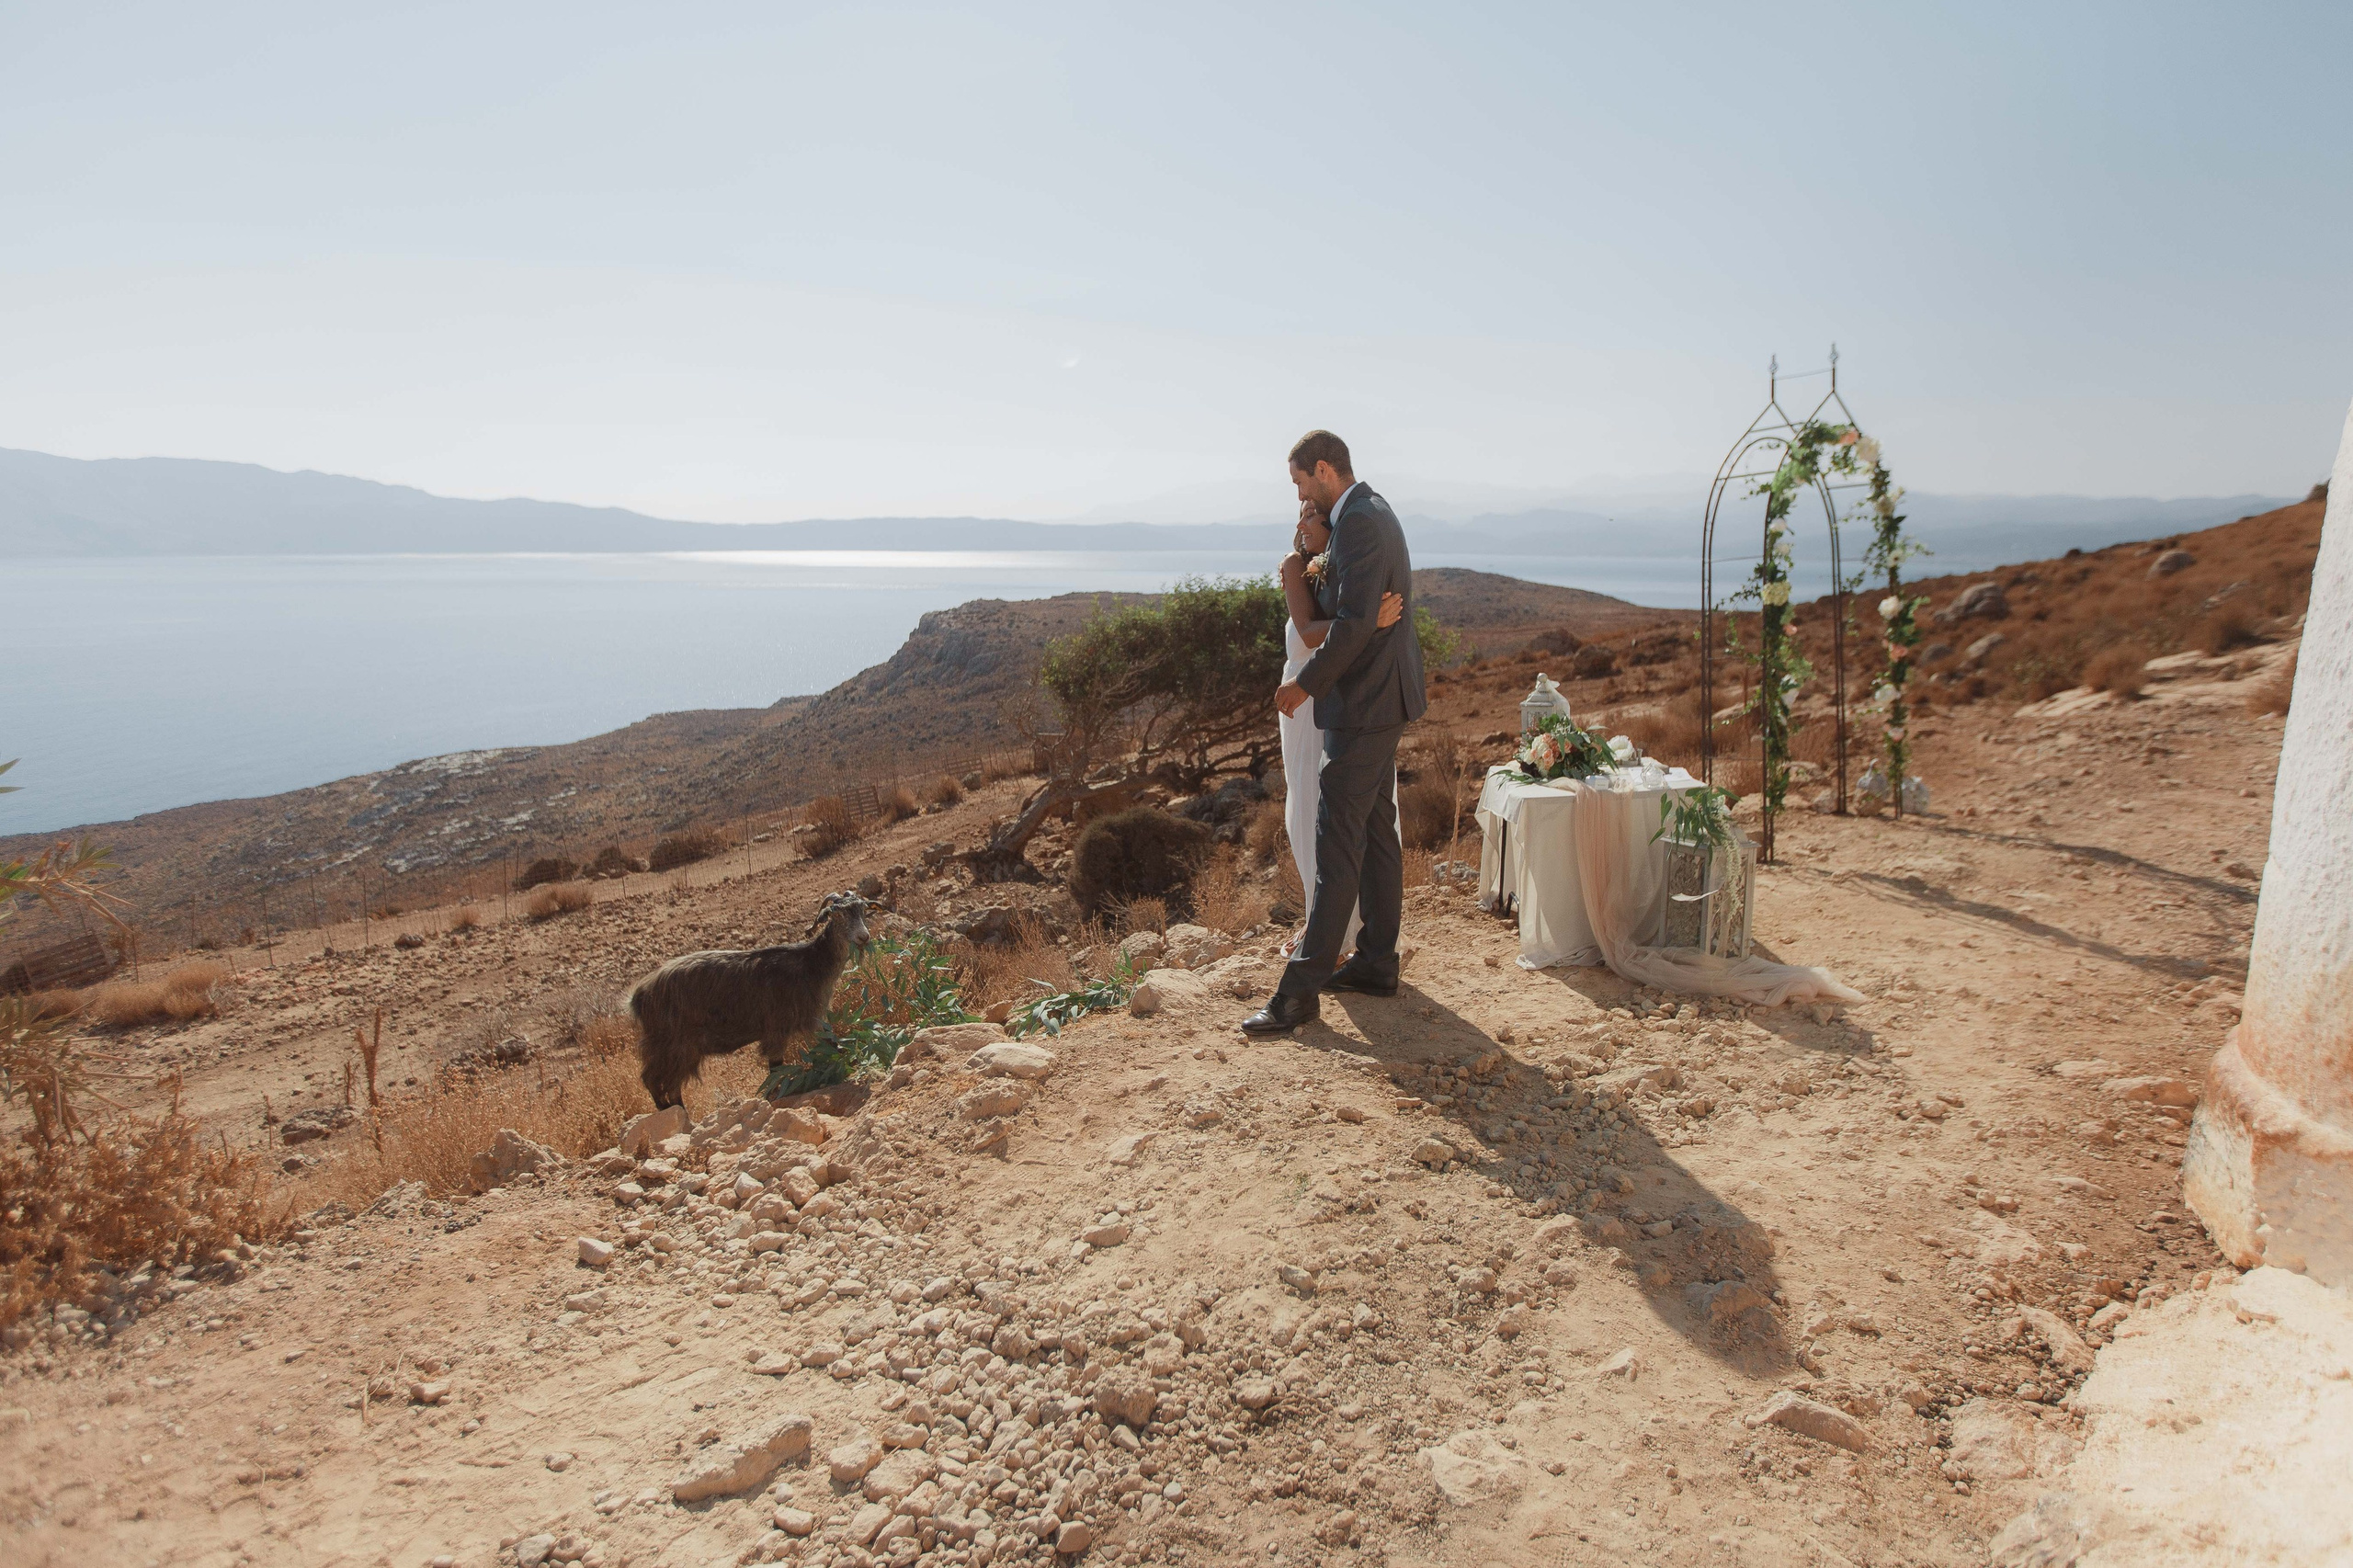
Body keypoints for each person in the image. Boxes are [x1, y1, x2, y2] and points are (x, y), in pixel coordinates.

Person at [1244, 430, 1427, 1034]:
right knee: (1375, 832)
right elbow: (1355, 619)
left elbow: (1349, 628)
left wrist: (1304, 686)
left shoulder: (1359, 522)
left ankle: (1299, 992)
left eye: (1300, 481)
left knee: (1337, 840)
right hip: (1377, 700)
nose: (1299, 495)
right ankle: (1376, 960)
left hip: (1364, 703)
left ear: (1323, 469)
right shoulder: (1373, 512)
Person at [1276, 497, 1404, 957]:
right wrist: (1368, 622)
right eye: (1301, 514)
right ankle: (1320, 926)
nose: (1302, 522)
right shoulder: (1296, 565)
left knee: (1352, 819)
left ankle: (1353, 934)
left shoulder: (1347, 563)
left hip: (1345, 700)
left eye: (1312, 513)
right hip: (1304, 704)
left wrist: (1361, 621)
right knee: (1309, 810)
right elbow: (1310, 632)